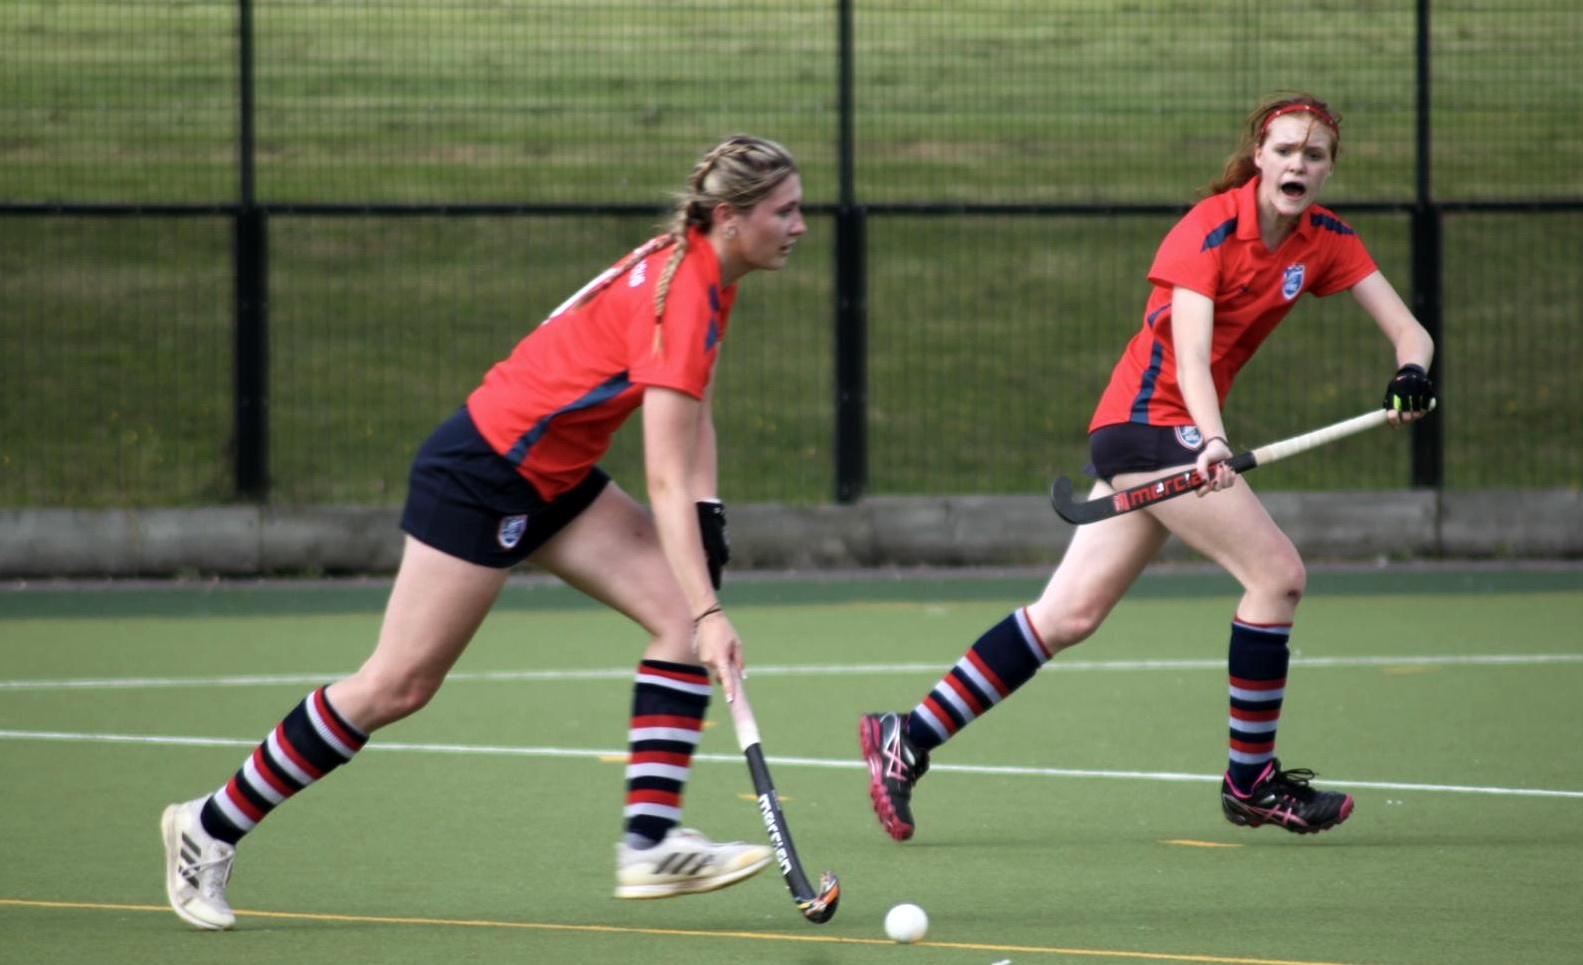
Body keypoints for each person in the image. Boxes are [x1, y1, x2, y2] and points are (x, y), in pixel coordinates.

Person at [161, 134, 808, 930]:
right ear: (729, 217)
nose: (800, 225)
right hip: (484, 472)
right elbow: (664, 472)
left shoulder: (704, 272)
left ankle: (649, 842)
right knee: (397, 684)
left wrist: (706, 531)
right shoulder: (680, 293)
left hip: (554, 475)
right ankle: (207, 825)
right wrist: (712, 606)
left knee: (675, 613)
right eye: (784, 210)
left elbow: (691, 409)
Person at [859, 93, 1436, 841]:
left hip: (1178, 435)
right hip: (1145, 426)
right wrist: (1210, 439)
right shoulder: (1207, 227)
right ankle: (1250, 780)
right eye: (1285, 150)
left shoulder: (1322, 239)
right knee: (1276, 575)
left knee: (1066, 616)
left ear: (1328, 167)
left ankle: (906, 736)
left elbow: (1409, 331)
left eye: (1314, 154)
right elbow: (1189, 355)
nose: (1298, 164)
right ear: (1258, 155)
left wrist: (1410, 372)